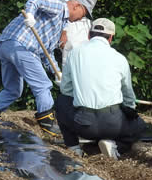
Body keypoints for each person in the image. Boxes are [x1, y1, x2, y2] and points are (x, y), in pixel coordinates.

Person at [0, 0, 93, 137]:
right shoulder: (59, 7)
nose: (80, 18)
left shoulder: (61, 24)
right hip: (20, 45)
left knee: (13, 89)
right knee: (43, 85)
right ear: (76, 6)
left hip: (6, 45)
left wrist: (57, 72)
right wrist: (30, 15)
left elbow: (46, 52)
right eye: (82, 14)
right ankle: (46, 120)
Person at [55, 18, 145, 159]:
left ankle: (73, 147)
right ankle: (116, 148)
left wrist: (80, 94)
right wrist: (130, 109)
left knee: (61, 101)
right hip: (114, 125)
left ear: (89, 35)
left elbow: (65, 90)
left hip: (83, 125)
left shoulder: (74, 53)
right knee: (139, 126)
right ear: (110, 38)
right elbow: (128, 96)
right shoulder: (120, 58)